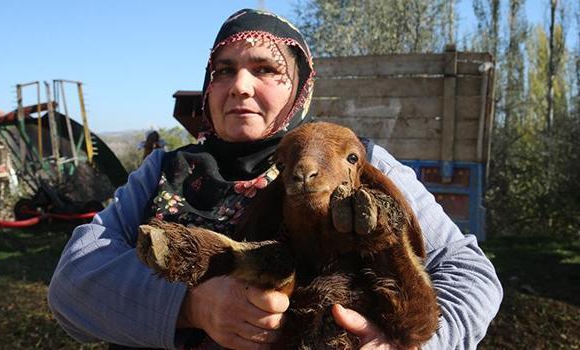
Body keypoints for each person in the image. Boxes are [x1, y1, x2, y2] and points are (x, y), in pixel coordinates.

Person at [48, 9, 503, 350]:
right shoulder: (164, 170)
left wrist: (412, 344)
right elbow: (73, 283)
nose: (240, 85)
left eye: (266, 69)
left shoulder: (358, 162)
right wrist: (193, 307)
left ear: (300, 89)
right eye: (223, 70)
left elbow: (471, 273)